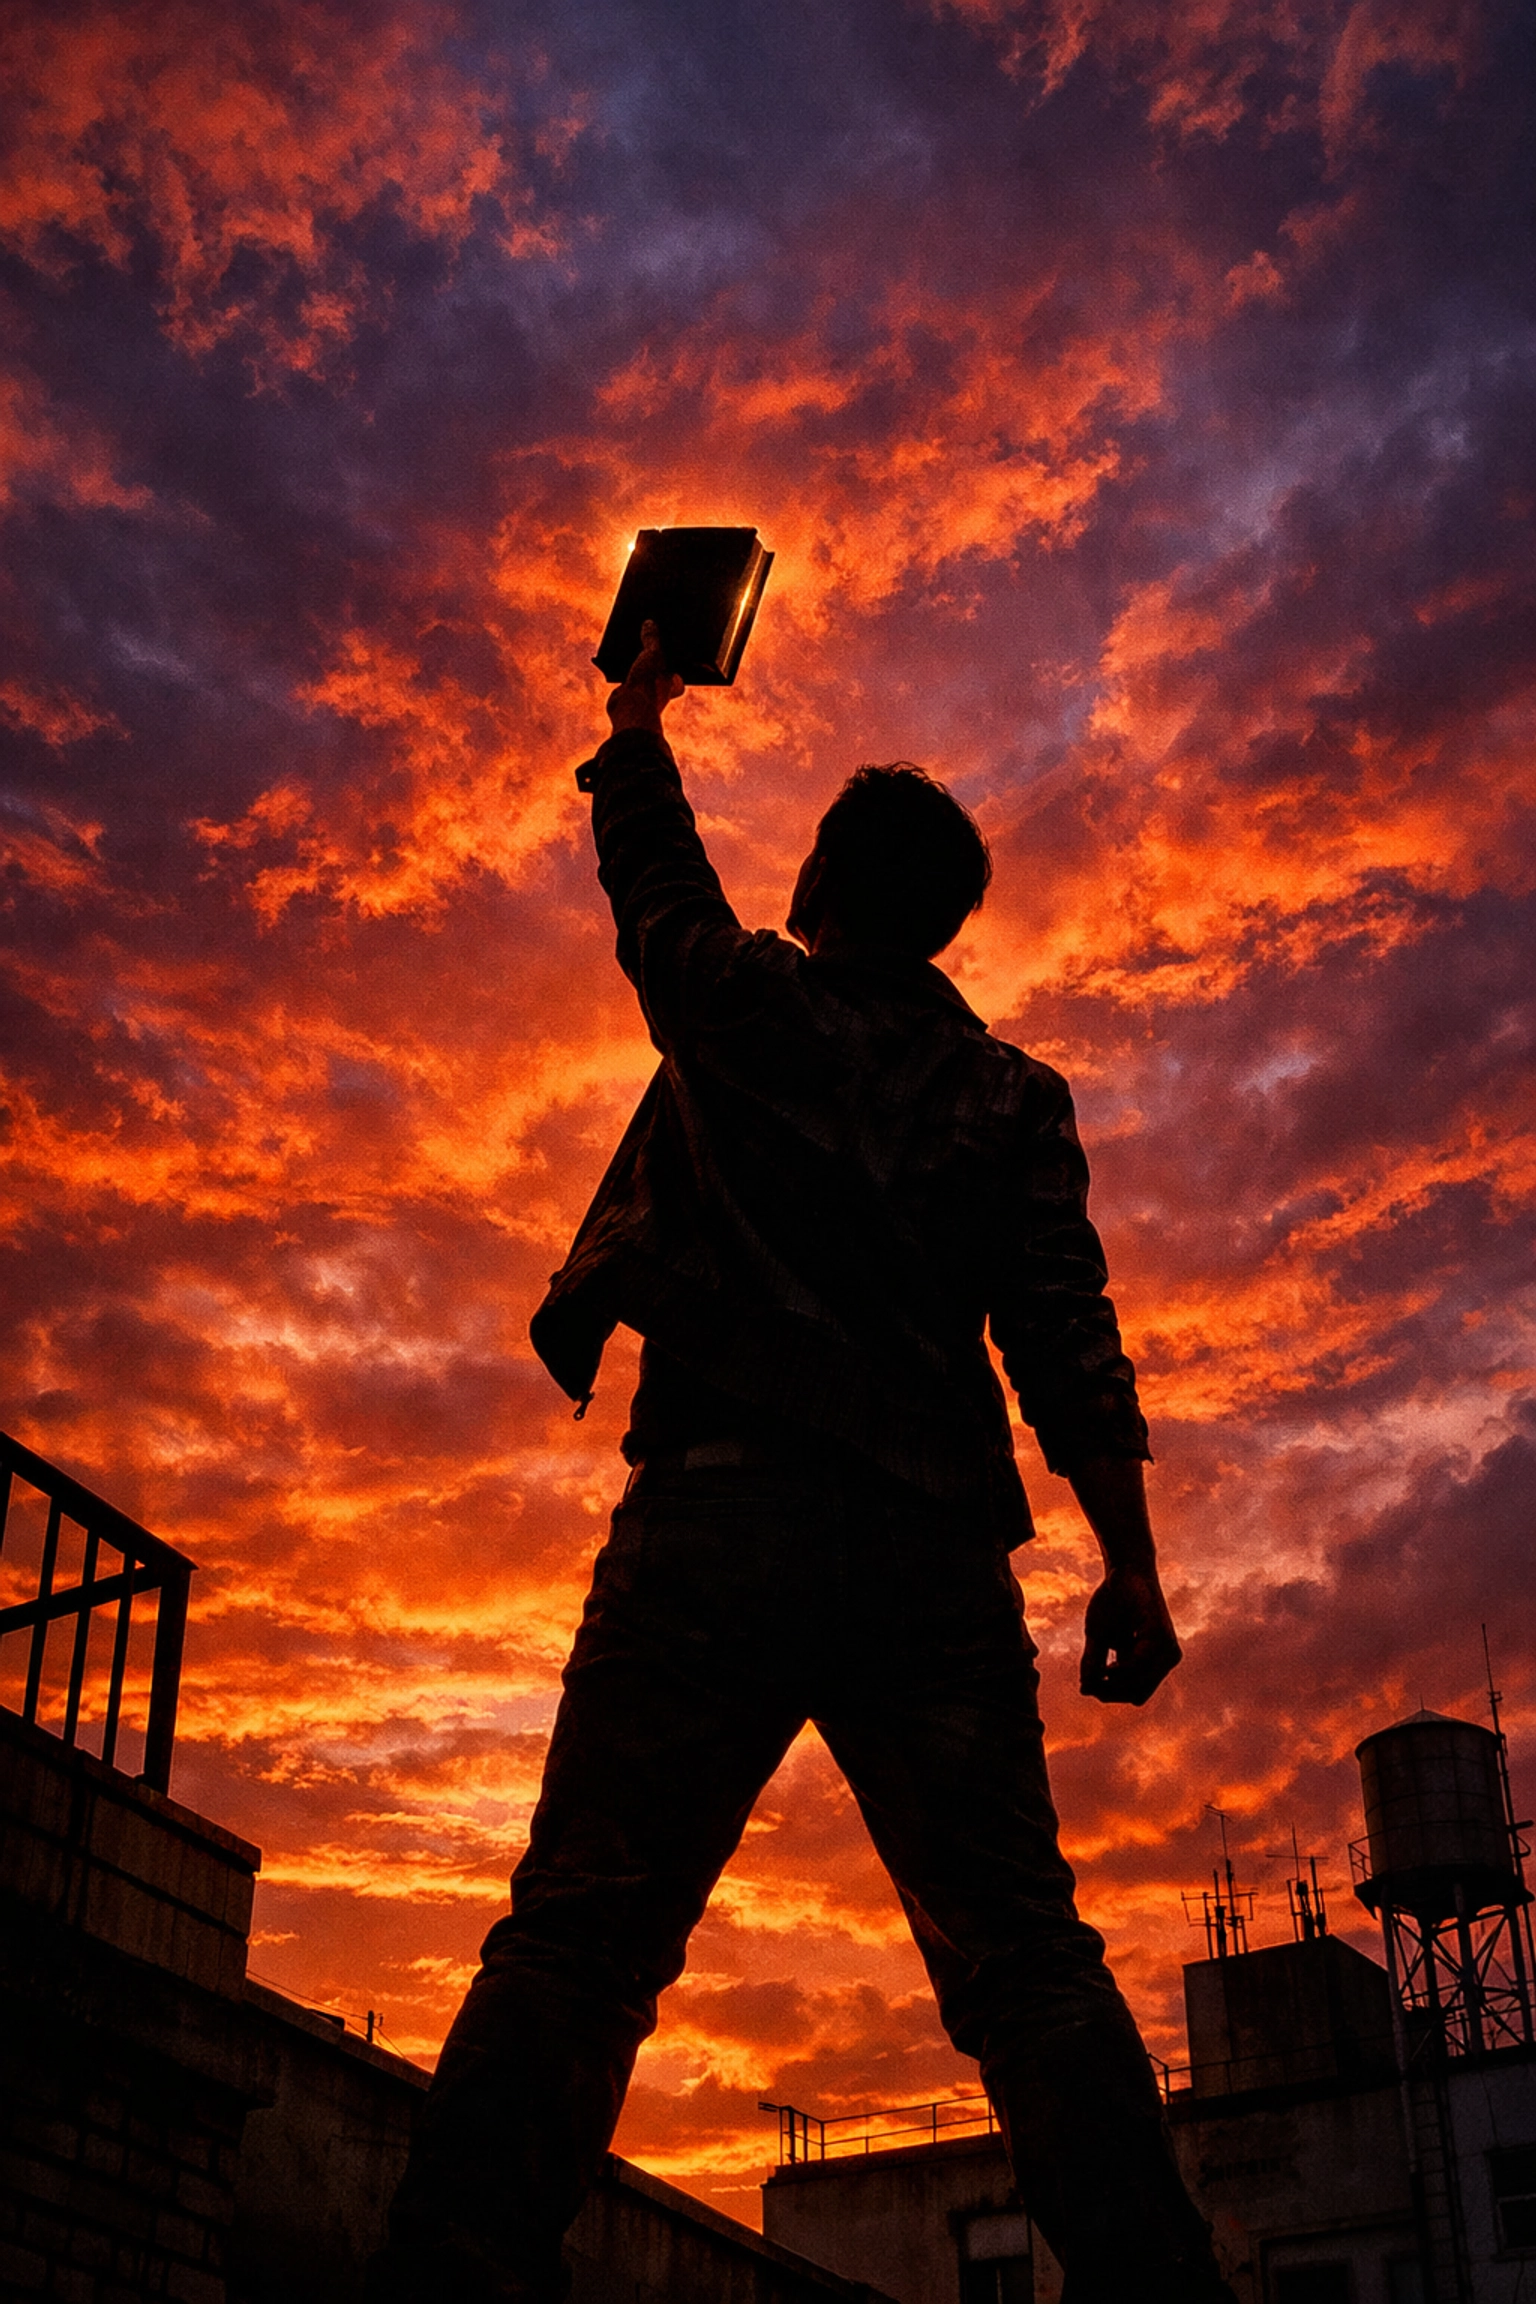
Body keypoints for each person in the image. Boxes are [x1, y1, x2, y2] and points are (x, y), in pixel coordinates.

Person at [372, 622, 1236, 2302]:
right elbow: (1069, 1336)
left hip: (715, 1517)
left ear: (824, 880)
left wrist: (633, 720)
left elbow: (659, 891)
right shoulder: (1009, 1096)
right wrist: (1130, 1557)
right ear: (946, 926)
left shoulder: (744, 1004)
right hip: (925, 1553)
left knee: (581, 1938)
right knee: (1027, 1966)